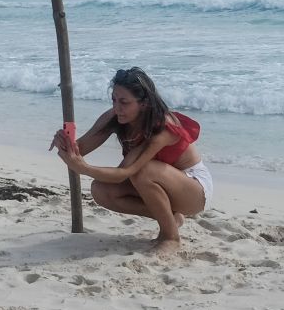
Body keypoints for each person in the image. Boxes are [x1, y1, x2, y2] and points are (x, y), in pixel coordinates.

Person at [53, 67, 210, 253]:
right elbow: (81, 149)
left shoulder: (163, 126)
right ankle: (172, 219)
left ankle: (170, 237)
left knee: (143, 171)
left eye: (124, 102)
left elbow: (125, 173)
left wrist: (83, 168)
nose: (117, 107)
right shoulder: (115, 117)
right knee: (100, 189)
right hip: (155, 181)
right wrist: (65, 143)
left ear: (143, 103)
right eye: (114, 100)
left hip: (193, 189)